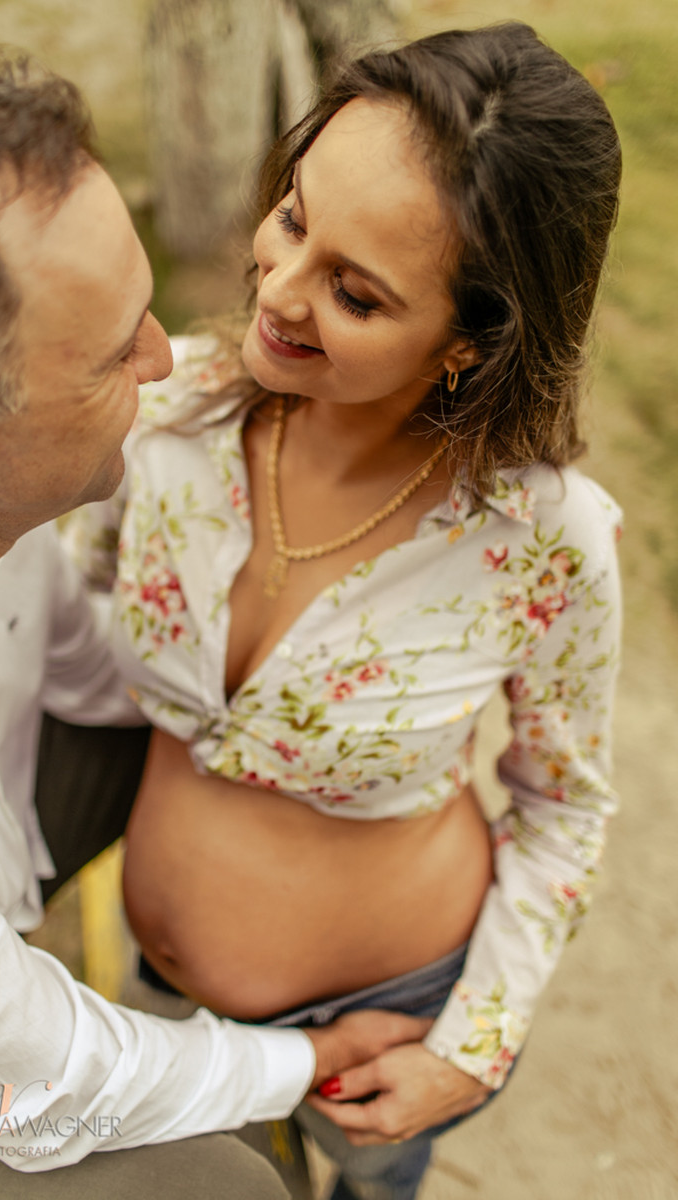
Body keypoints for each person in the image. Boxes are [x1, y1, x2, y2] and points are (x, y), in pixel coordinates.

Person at [64, 21, 624, 1200]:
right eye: (292, 217)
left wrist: (464, 1055)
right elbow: (73, 631)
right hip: (160, 1009)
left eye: (354, 293)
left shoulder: (544, 543)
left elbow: (559, 809)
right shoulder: (163, 417)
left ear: (472, 343)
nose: (275, 289)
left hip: (383, 1035)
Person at [0, 29, 426, 1199]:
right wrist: (301, 1062)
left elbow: (104, 673)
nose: (162, 360)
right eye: (108, 354)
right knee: (217, 1188)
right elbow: (53, 1072)